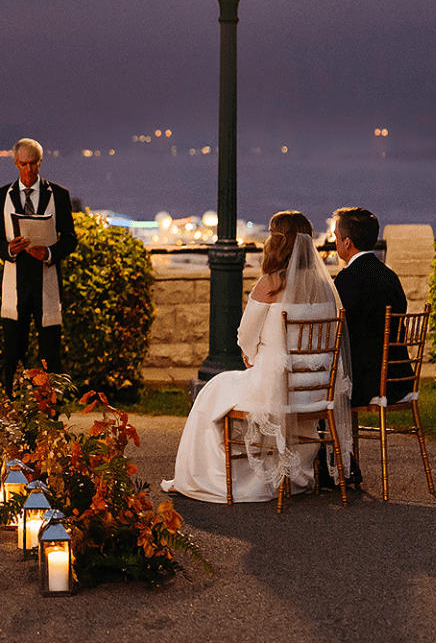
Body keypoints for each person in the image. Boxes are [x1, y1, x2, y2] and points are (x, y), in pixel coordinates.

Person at [161, 212, 353, 503]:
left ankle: (210, 478)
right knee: (220, 391)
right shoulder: (326, 289)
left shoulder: (270, 284)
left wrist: (252, 356)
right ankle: (293, 477)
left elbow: (245, 337)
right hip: (315, 393)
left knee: (210, 394)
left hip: (273, 387)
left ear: (276, 242)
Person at [0, 137, 78, 395]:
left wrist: (49, 252)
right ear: (16, 163)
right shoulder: (0, 196)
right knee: (13, 350)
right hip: (15, 284)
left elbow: (71, 239)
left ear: (40, 163)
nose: (28, 170)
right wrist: (9, 249)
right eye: (23, 164)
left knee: (50, 351)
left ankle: (51, 407)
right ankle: (12, 402)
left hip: (46, 283)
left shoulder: (58, 195)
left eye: (33, 164)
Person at [332, 206, 412, 409]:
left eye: (336, 237)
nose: (335, 243)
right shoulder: (389, 275)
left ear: (347, 242)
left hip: (367, 383)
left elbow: (336, 329)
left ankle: (326, 439)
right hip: (399, 379)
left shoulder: (347, 279)